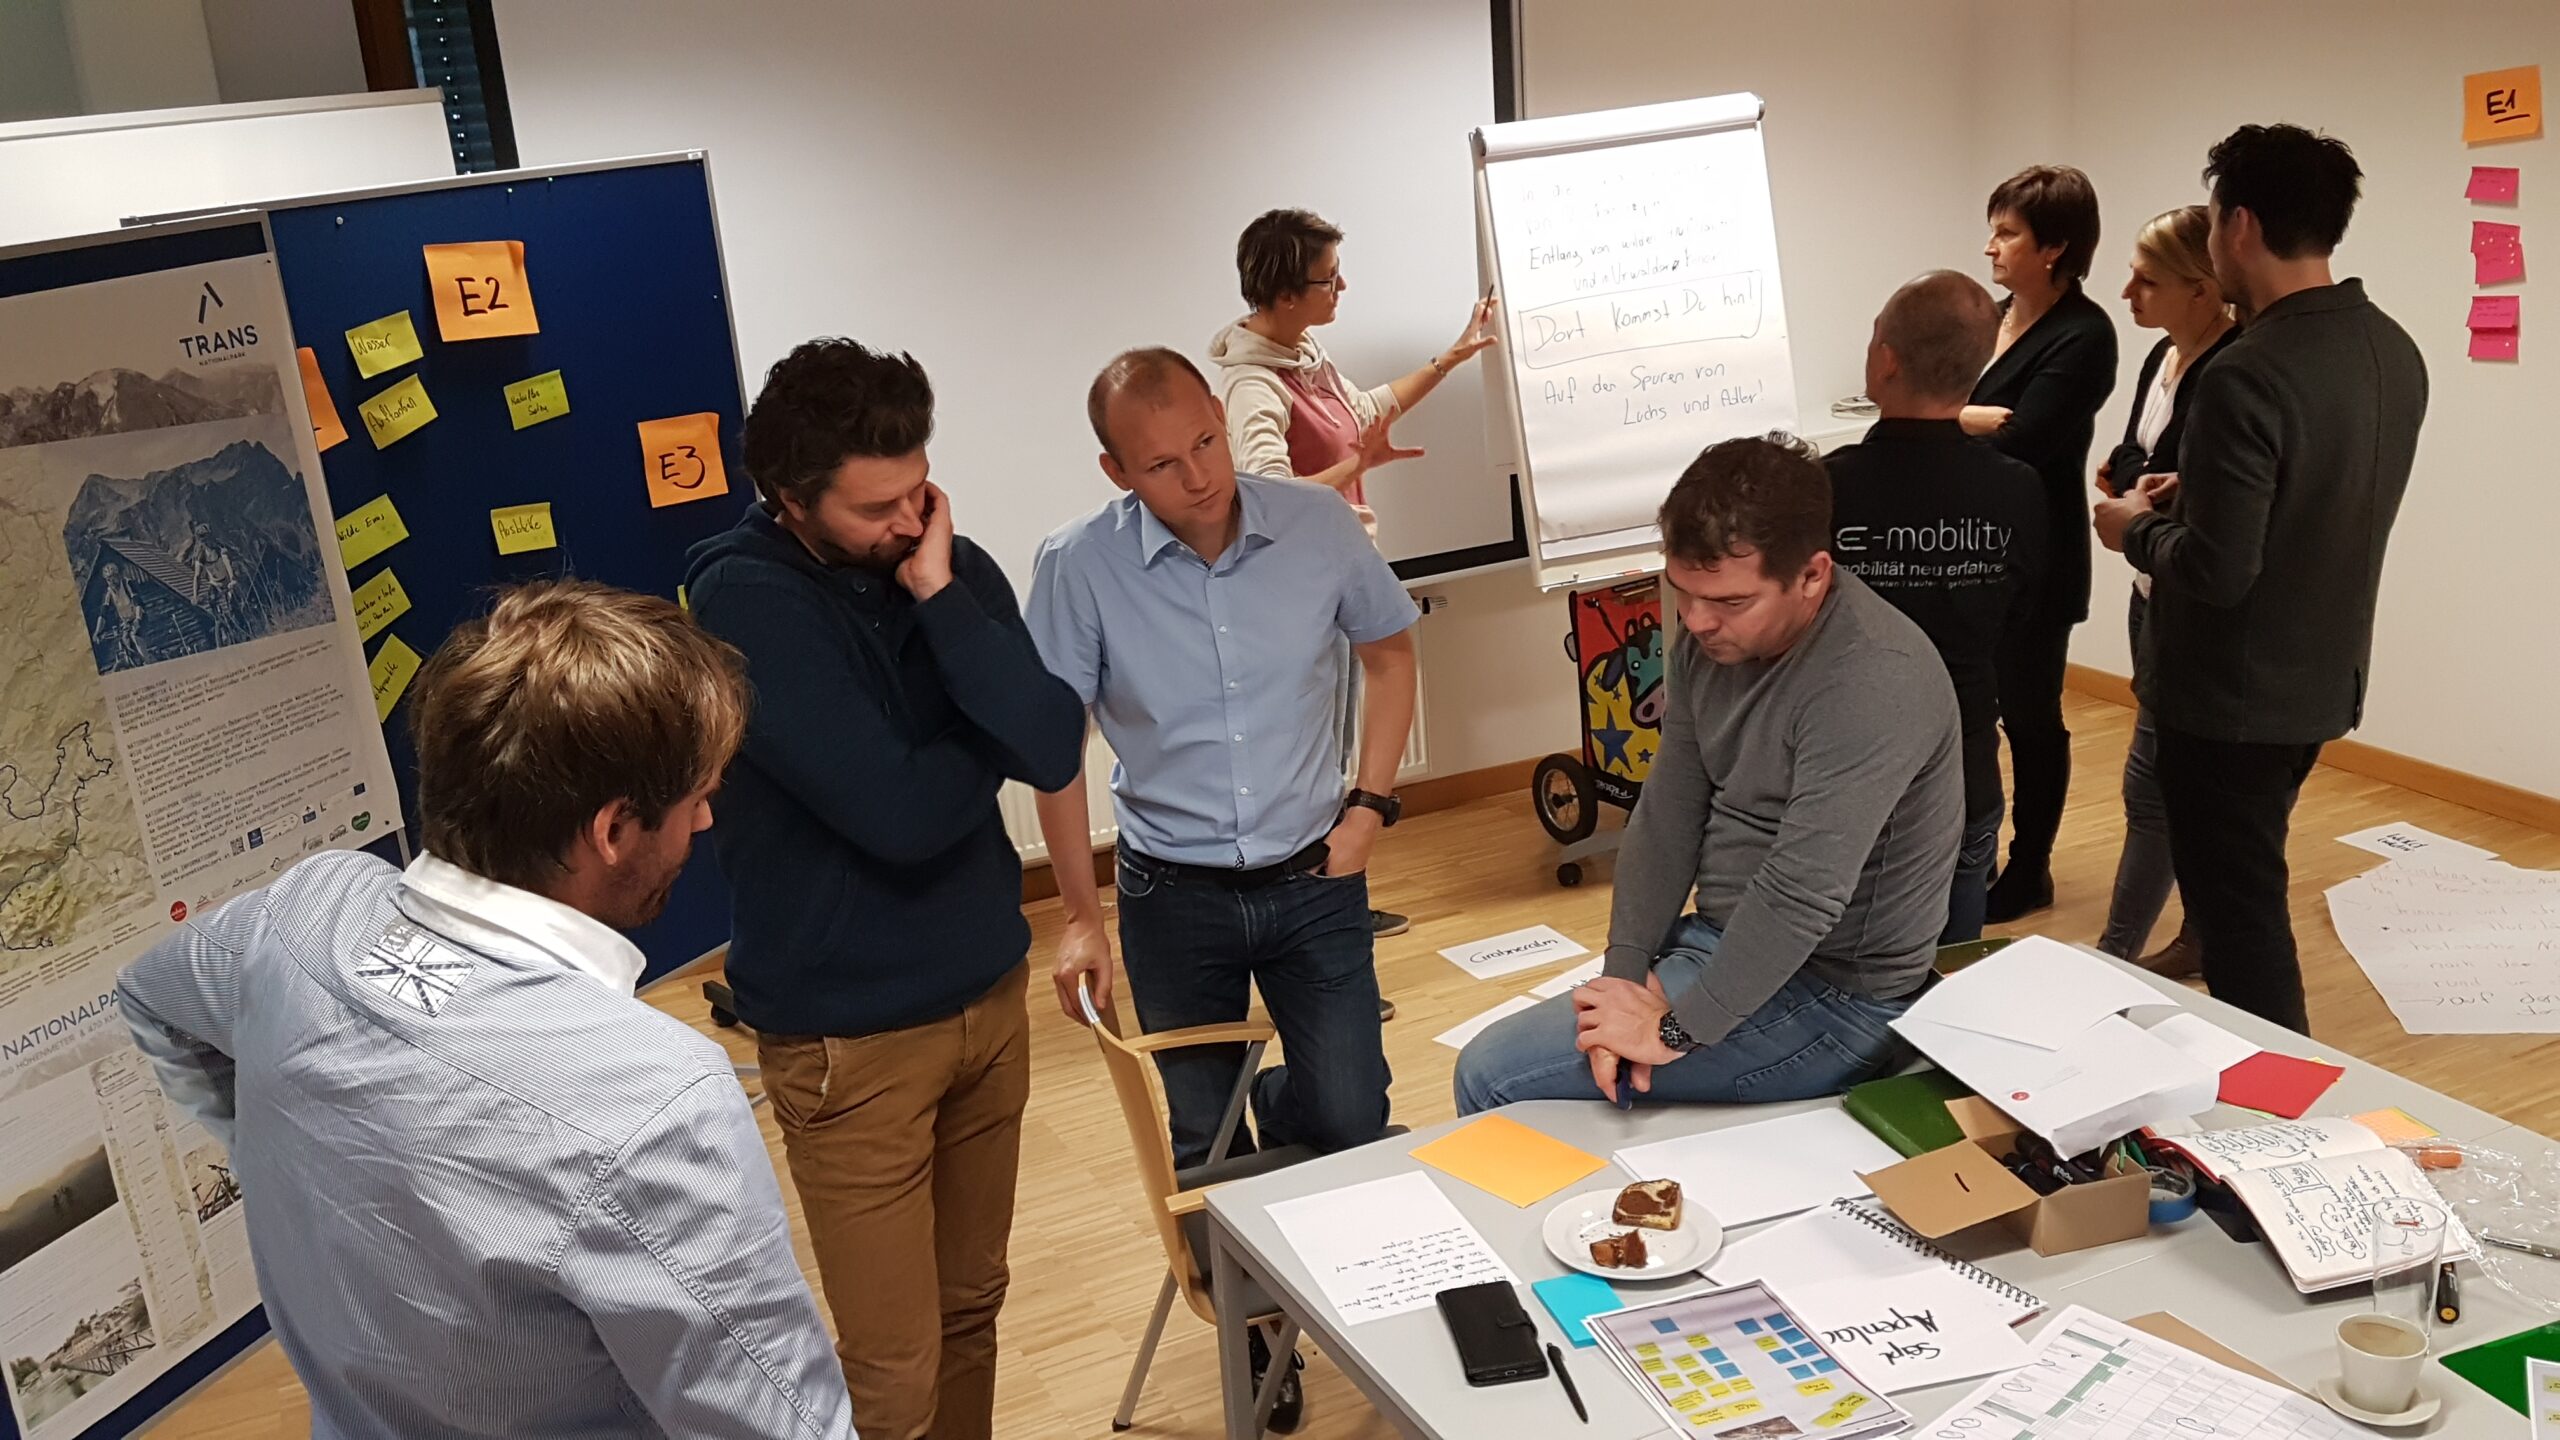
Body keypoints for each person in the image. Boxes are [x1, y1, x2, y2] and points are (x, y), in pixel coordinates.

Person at [116, 581, 852, 1440]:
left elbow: (150, 994)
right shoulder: (651, 1100)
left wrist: (285, 1152)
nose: (706, 819)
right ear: (615, 831)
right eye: (696, 799)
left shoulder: (303, 913)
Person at [685, 338, 1084, 1440]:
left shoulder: (943, 565)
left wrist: (942, 599)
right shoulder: (743, 599)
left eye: (919, 489)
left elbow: (1052, 744)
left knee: (973, 1310)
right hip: (848, 1042)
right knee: (895, 1374)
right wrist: (982, 725)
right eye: (875, 508)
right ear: (789, 499)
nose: (910, 521)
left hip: (987, 998)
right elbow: (899, 818)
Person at [1030, 347, 1418, 1429]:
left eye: (1207, 441)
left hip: (1316, 874)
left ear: (1220, 414)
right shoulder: (1077, 565)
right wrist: (1078, 916)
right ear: (1117, 472)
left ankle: (1276, 1107)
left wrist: (1370, 806)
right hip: (1173, 893)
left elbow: (1390, 652)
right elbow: (1053, 748)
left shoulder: (1316, 525)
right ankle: (1256, 1328)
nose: (1200, 475)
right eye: (1163, 464)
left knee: (1350, 1108)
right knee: (1204, 1136)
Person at [1453, 435, 1962, 1114]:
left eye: (1730, 602)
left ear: (1812, 576)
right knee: (1532, 1060)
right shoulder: (1714, 641)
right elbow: (1667, 815)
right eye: (1683, 592)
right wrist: (1622, 979)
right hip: (1727, 942)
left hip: (1836, 995)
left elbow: (1802, 894)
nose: (1696, 621)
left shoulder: (1873, 678)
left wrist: (1674, 1030)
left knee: (1491, 1074)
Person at [2097, 124, 2426, 1033]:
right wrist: (2194, 488)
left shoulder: (2247, 371)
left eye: (2210, 223)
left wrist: (2133, 528)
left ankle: (2278, 1096)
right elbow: (2315, 500)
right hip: (2320, 682)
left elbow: (2217, 570)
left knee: (2243, 931)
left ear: (2238, 225)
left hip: (2229, 700)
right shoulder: (2392, 348)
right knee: (2246, 895)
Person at [1209, 208, 1495, 953]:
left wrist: (1452, 357)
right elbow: (1265, 493)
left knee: (1335, 759)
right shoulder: (1252, 385)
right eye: (1327, 279)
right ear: (1284, 293)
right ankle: (1318, 917)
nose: (1342, 288)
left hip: (1339, 574)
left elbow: (1363, 411)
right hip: (1300, 590)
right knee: (1317, 763)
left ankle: (1336, 900)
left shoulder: (1305, 354)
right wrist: (1355, 466)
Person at [1825, 271, 2045, 943]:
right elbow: (2021, 616)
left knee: (1848, 972)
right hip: (1966, 769)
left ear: (1887, 360)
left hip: (1851, 778)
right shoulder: (2018, 490)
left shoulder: (1829, 487)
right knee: (1951, 971)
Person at [1963, 165, 2118, 923]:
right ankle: (1971, 856)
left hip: (2036, 557)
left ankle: (2031, 869)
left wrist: (1954, 419)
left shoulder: (2085, 333)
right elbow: (1950, 411)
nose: (1990, 246)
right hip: (1967, 548)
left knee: (2029, 717)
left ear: (2054, 247)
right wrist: (1968, 417)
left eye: (2008, 233)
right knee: (1968, 715)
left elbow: (2025, 442)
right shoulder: (1988, 317)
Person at [2092, 207, 2240, 976]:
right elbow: (2134, 451)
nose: (2128, 293)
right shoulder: (2163, 356)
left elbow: (2192, 484)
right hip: (2149, 584)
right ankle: (2196, 936)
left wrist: (2139, 492)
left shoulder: (2232, 372)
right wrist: (2131, 478)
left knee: (2152, 784)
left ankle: (2114, 957)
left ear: (2202, 289)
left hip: (2188, 593)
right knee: (2165, 778)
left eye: (2147, 281)